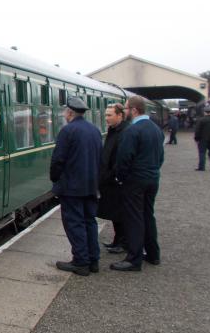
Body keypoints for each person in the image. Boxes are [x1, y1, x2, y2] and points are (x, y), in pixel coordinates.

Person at [50, 96, 103, 276]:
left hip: (72, 187)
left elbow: (58, 159)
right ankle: (93, 260)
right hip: (91, 185)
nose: (64, 114)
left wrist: (55, 178)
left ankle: (80, 261)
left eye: (65, 111)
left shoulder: (68, 131)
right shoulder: (94, 131)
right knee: (90, 221)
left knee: (74, 223)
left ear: (70, 112)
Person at [111, 95, 164, 272]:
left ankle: (134, 259)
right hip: (153, 178)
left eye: (126, 109)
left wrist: (120, 177)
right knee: (148, 215)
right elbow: (161, 156)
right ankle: (153, 254)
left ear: (134, 110)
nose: (125, 112)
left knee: (134, 218)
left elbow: (124, 158)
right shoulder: (156, 129)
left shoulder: (132, 131)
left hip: (135, 181)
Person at [97, 103, 128, 254]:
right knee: (115, 213)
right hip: (110, 180)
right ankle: (118, 240)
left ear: (120, 115)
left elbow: (121, 158)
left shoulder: (124, 133)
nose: (106, 118)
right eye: (106, 115)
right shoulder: (114, 130)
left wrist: (112, 176)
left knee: (120, 213)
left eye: (109, 115)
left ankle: (123, 242)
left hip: (116, 181)